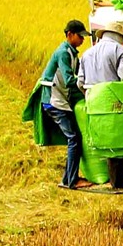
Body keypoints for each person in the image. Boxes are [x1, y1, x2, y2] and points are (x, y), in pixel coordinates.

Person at [79, 18, 123, 188]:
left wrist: (93, 96)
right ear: (119, 36)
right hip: (116, 104)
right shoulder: (119, 50)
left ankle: (117, 183)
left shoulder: (87, 53)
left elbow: (80, 83)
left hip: (96, 106)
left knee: (111, 144)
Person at [40, 19, 87, 188]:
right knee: (73, 138)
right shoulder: (63, 53)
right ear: (70, 35)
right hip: (53, 101)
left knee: (74, 137)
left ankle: (67, 179)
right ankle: (71, 181)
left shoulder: (72, 53)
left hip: (61, 100)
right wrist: (86, 90)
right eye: (80, 36)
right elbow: (69, 80)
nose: (83, 40)